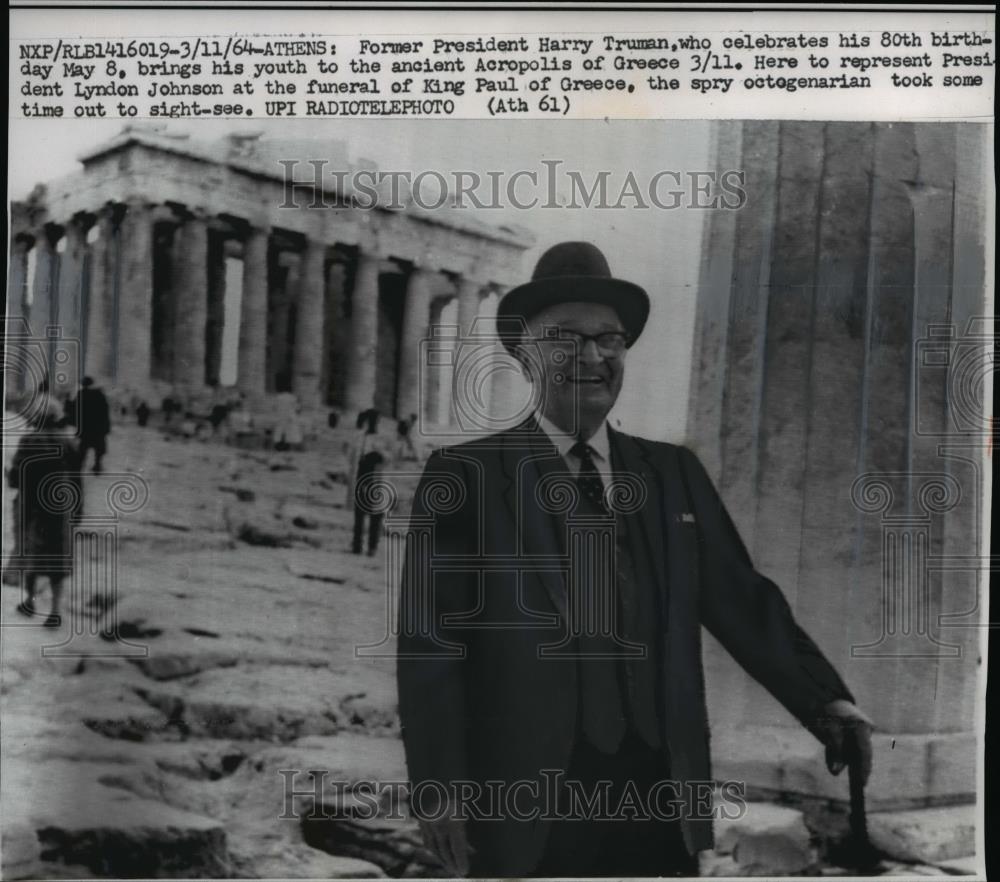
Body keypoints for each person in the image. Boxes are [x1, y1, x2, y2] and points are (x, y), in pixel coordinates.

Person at [397, 242, 874, 878]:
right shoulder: (465, 476)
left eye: (609, 339)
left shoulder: (673, 473)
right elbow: (431, 652)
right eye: (564, 337)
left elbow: (742, 599)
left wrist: (826, 705)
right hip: (523, 796)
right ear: (522, 354)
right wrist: (439, 790)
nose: (591, 357)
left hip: (658, 791)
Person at [8, 402, 82, 628]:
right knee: (58, 559)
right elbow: (77, 479)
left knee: (30, 553)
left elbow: (15, 478)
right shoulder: (69, 441)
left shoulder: (29, 440)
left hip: (31, 506)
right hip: (60, 507)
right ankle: (55, 611)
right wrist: (78, 509)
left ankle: (29, 602)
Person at [348, 410, 393, 556]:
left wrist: (380, 452)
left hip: (377, 476)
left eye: (376, 420)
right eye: (371, 420)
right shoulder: (359, 436)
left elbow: (391, 456)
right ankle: (357, 544)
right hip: (362, 474)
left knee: (376, 514)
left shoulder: (384, 437)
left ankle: (372, 546)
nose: (373, 423)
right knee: (359, 512)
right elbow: (352, 455)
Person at [75, 376, 111, 473]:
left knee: (83, 447)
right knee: (99, 448)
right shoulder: (99, 394)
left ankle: (79, 465)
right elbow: (105, 411)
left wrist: (77, 426)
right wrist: (106, 427)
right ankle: (97, 465)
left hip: (85, 427)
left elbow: (75, 411)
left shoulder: (80, 394)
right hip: (98, 428)